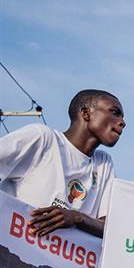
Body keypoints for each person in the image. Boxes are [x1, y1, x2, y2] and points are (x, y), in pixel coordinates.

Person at [0, 89, 124, 237]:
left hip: (59, 257)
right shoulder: (43, 138)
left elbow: (110, 227)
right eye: (115, 113)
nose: (122, 122)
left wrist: (77, 218)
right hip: (12, 248)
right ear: (86, 113)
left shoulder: (104, 163)